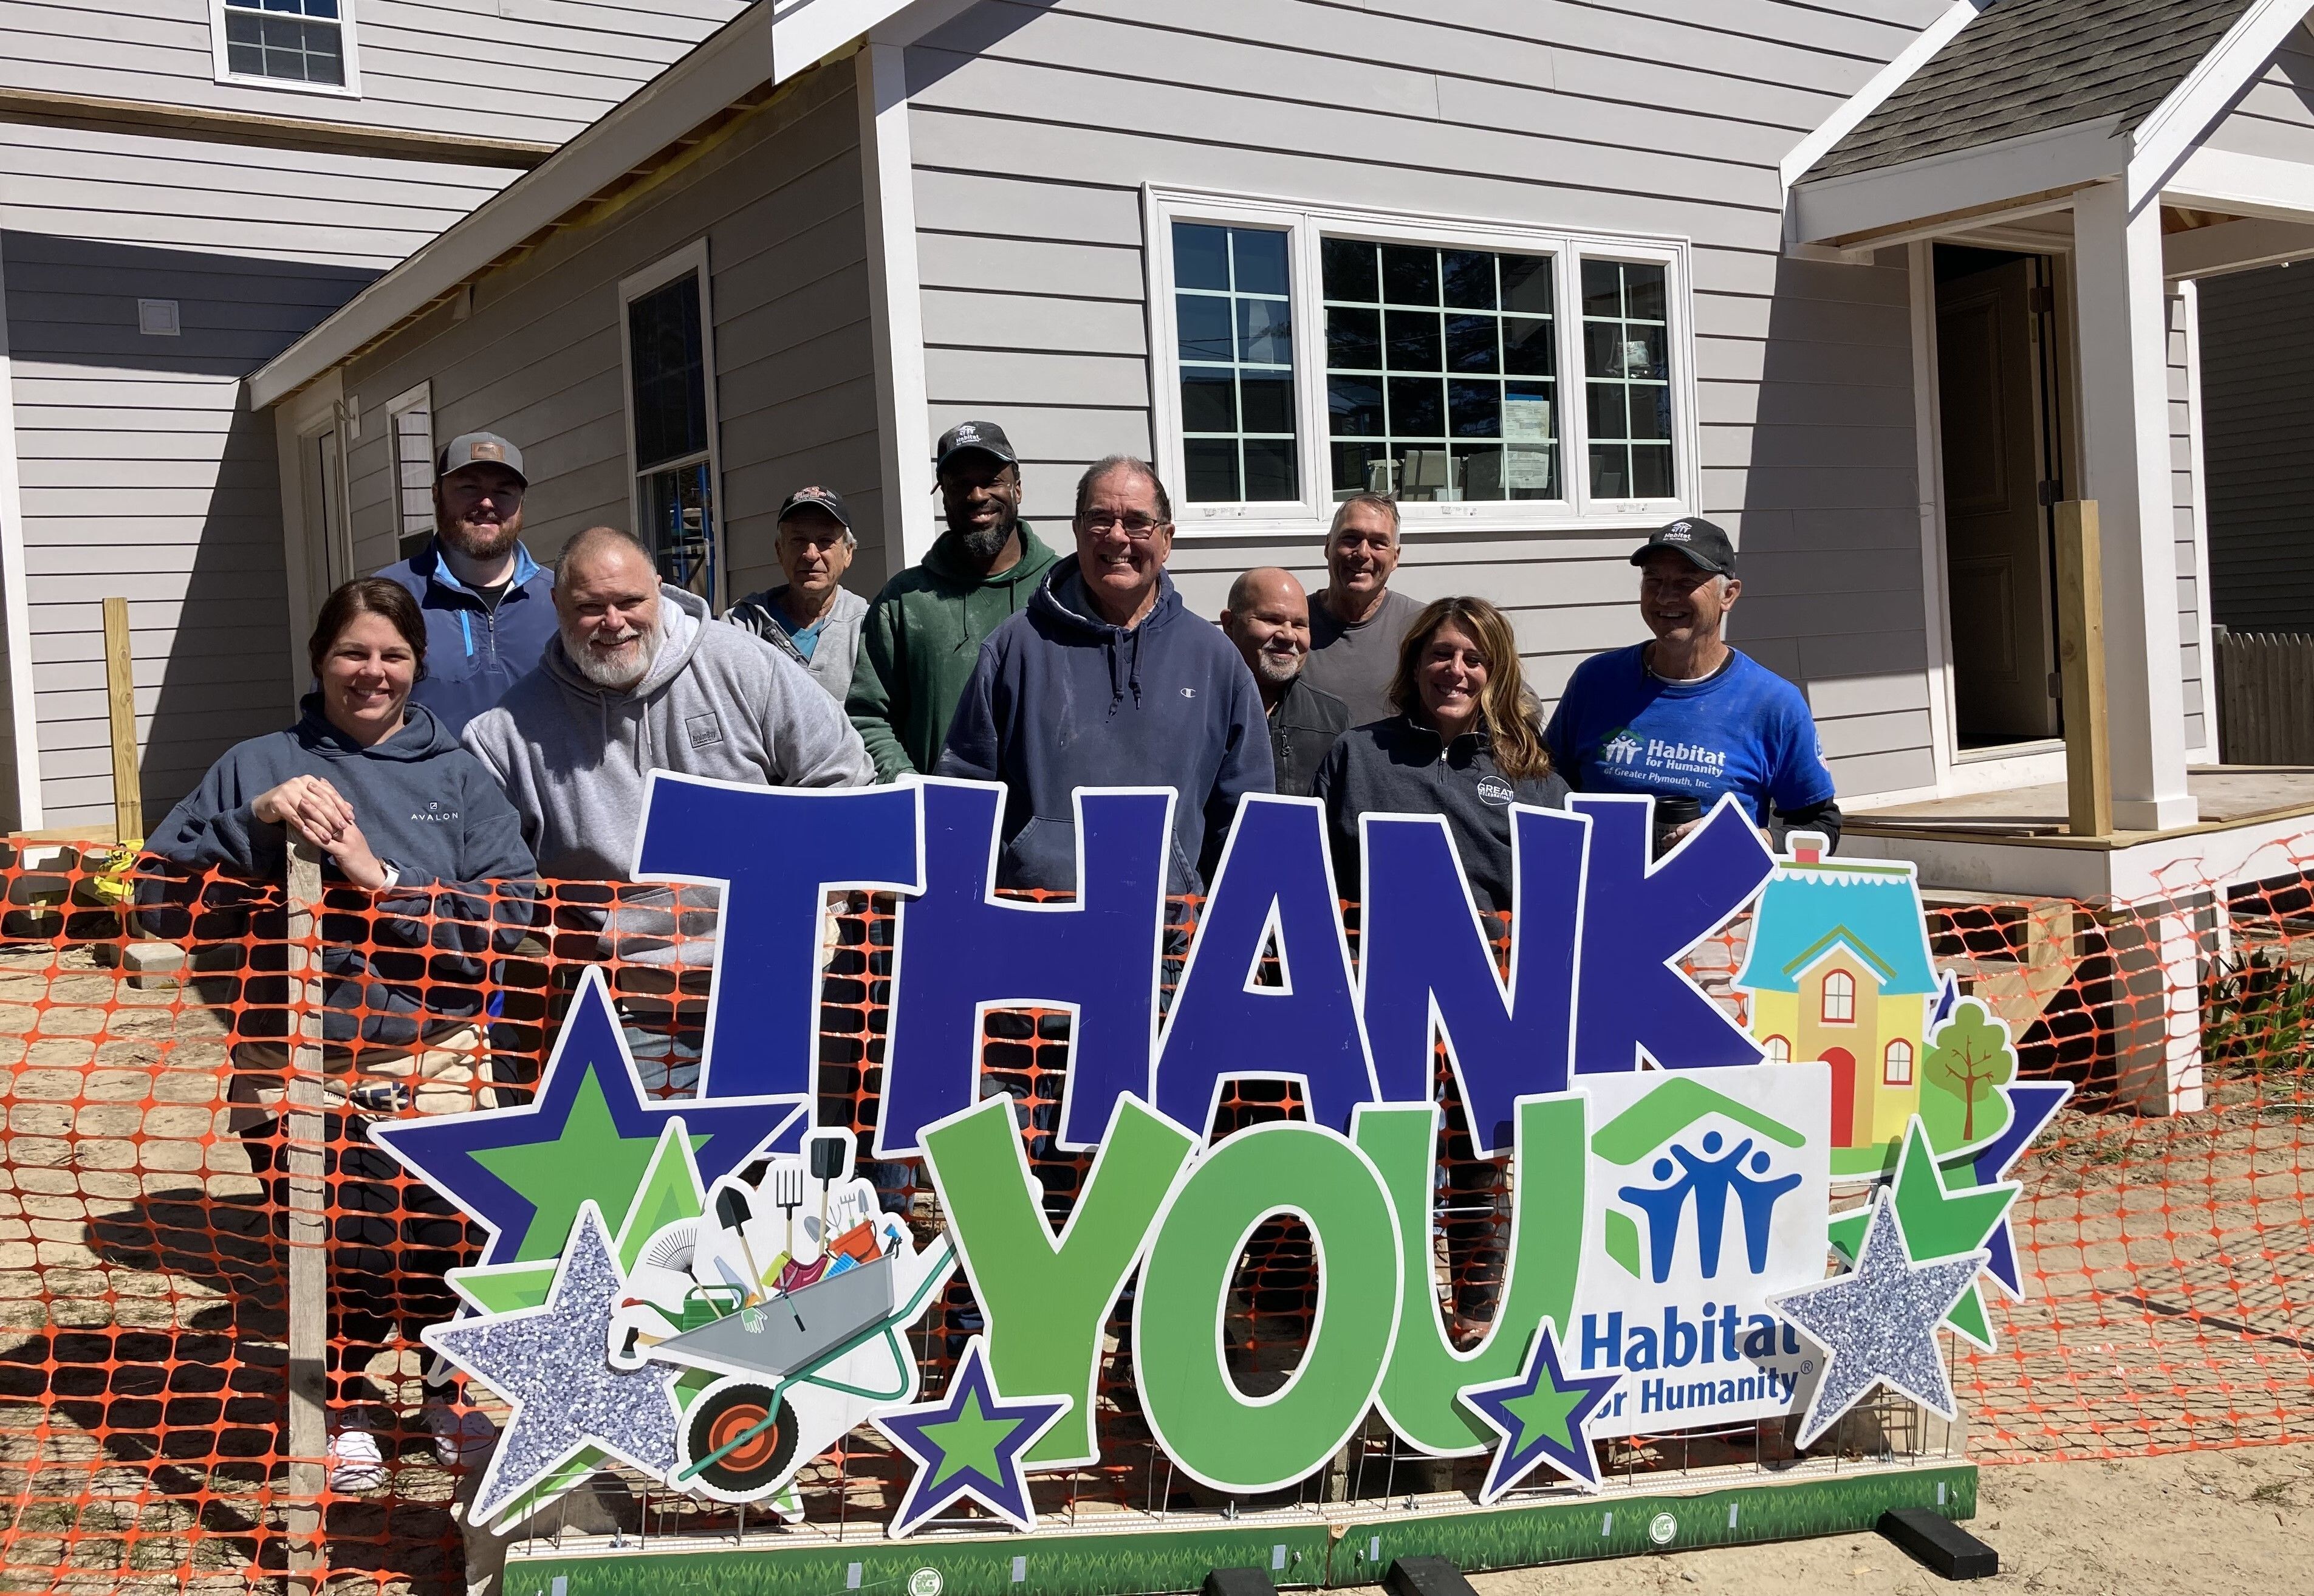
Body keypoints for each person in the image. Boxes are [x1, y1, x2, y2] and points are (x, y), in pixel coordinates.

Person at [142, 577, 536, 1492]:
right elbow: (160, 900)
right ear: (320, 659)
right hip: (297, 1063)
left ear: (417, 664)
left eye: (392, 655)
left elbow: (508, 907)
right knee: (334, 1246)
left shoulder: (459, 773)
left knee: (447, 1239)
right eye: (354, 652)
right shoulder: (255, 763)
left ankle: (448, 1390)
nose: (373, 672)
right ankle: (346, 1401)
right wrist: (256, 828)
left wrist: (381, 878)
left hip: (437, 1056)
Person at [462, 527, 873, 1088]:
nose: (614, 622)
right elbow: (492, 876)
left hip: (781, 981)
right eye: (589, 607)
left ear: (660, 589)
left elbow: (843, 772)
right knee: (658, 1172)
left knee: (784, 1171)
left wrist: (810, 900)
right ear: (555, 604)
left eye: (631, 601)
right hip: (633, 1003)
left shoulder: (742, 665)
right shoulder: (504, 735)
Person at [936, 456, 1273, 892]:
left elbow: (1245, 818)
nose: (1117, 536)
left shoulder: (1215, 660)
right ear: (1076, 531)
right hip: (1037, 929)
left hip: (1169, 936)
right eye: (1099, 519)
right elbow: (964, 797)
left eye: (1137, 522)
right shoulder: (1013, 648)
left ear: (1166, 539)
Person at [1544, 518, 1842, 849]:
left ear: (1729, 595)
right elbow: (1544, 788)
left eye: (1686, 582)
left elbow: (1821, 828)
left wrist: (1741, 839)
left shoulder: (1774, 703)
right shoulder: (1595, 682)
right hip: (1602, 892)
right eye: (1653, 580)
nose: (1666, 597)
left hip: (1715, 895)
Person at [1312, 596, 1569, 919]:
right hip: (1373, 964)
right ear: (1417, 664)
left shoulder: (1532, 776)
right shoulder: (1355, 756)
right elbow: (1316, 879)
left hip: (1496, 965)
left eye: (1475, 660)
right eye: (1442, 654)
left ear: (1495, 676)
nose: (1455, 670)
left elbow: (1565, 900)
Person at [847, 422, 1061, 781]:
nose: (976, 496)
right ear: (943, 496)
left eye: (992, 480)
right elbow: (867, 716)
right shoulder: (903, 601)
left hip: (1046, 825)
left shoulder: (1063, 591)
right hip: (944, 821)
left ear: (1018, 489)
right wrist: (905, 781)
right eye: (960, 484)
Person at [376, 431, 558, 735]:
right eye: (469, 487)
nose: (487, 503)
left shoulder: (563, 601)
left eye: (504, 491)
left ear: (521, 502)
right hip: (428, 783)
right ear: (437, 494)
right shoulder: (384, 599)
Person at [723, 485, 869, 704]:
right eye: (798, 540)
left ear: (848, 553)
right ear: (780, 551)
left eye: (825, 541)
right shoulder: (742, 627)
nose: (811, 554)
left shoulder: (868, 627)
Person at [1219, 567, 1349, 799]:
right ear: (1230, 624)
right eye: (1272, 620)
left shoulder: (1333, 719)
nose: (1288, 635)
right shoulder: (1200, 707)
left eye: (1300, 625)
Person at [1302, 493, 1426, 725]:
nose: (1363, 553)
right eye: (1351, 538)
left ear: (1396, 558)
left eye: (1379, 542)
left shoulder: (1423, 627)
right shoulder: (1294, 625)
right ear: (1328, 547)